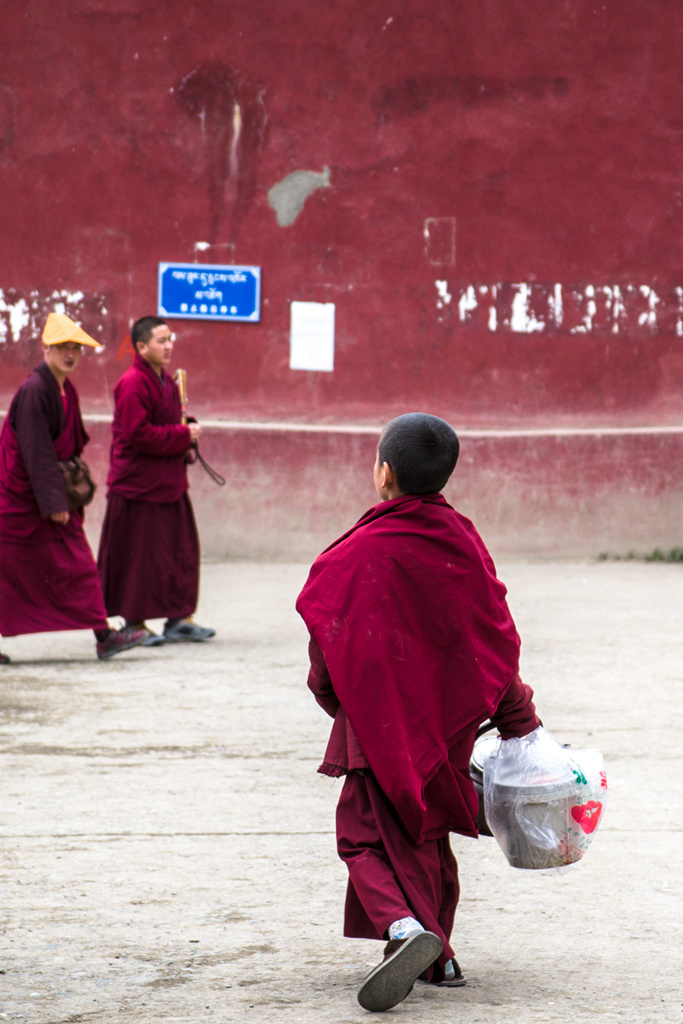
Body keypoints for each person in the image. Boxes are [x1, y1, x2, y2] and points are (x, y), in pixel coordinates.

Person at [296, 412, 540, 1013]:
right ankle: (443, 957)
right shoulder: (461, 540)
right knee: (425, 836)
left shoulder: (356, 553)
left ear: (384, 474)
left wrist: (340, 703)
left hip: (376, 722)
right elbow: (490, 635)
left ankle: (405, 931)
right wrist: (518, 717)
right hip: (446, 723)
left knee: (362, 838)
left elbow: (326, 644)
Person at [0, 313, 146, 664]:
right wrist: (53, 502)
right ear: (46, 348)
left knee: (79, 565)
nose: (70, 354)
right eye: (63, 347)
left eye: (75, 348)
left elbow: (71, 440)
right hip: (25, 501)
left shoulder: (65, 387)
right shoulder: (36, 390)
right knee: (9, 573)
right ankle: (104, 635)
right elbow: (35, 451)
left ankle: (104, 635)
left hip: (49, 496)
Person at [97, 316, 214, 644]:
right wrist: (182, 434)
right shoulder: (133, 382)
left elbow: (162, 421)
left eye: (169, 339)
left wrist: (184, 426)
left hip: (168, 483)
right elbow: (138, 434)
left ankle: (177, 618)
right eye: (161, 340)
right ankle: (133, 623)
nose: (168, 345)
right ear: (141, 347)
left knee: (179, 552)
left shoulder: (165, 380)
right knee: (140, 557)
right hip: (139, 486)